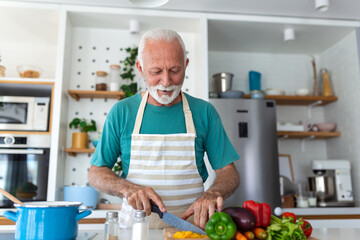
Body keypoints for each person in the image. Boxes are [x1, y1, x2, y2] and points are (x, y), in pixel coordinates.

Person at [88, 29, 240, 229]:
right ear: (140, 69)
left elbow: (229, 172)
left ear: (186, 66)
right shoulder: (122, 112)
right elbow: (96, 172)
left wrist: (213, 193)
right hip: (137, 230)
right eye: (156, 72)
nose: (166, 82)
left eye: (175, 71)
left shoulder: (204, 112)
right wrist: (127, 188)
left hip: (191, 230)